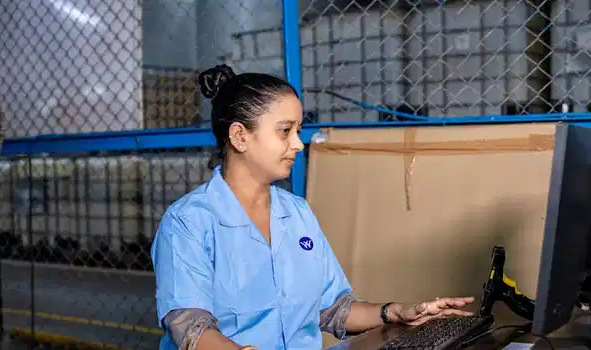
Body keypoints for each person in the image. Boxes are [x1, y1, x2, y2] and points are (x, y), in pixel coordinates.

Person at [151, 64, 475, 350]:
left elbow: (333, 308)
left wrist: (395, 312)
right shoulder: (188, 223)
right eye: (285, 131)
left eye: (299, 130)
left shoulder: (297, 214)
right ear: (239, 136)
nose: (298, 143)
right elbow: (190, 327)